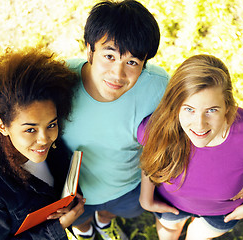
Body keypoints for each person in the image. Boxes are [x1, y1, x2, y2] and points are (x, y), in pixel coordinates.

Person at [0, 49, 85, 239]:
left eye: (51, 124)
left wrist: (68, 203)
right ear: (2, 125)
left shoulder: (52, 140)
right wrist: (57, 227)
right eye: (30, 129)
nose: (45, 139)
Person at [62, 1, 169, 239]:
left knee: (116, 211)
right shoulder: (59, 80)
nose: (118, 75)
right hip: (74, 192)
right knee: (79, 219)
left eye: (132, 62)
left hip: (128, 186)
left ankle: (104, 221)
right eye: (109, 56)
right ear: (89, 49)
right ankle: (84, 230)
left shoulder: (159, 88)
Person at [138, 54, 243, 240]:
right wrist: (146, 199)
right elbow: (151, 159)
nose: (199, 125)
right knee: (168, 234)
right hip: (170, 205)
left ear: (228, 107)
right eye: (189, 109)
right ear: (175, 106)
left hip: (222, 214)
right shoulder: (157, 128)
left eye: (212, 110)